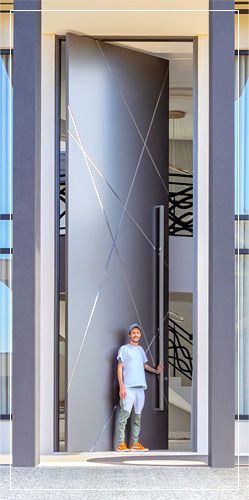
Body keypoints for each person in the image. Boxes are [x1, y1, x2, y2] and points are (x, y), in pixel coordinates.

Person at [116, 323, 163, 452]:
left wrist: (156, 371)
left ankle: (135, 444)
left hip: (140, 389)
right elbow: (119, 368)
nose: (136, 335)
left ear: (140, 335)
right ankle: (121, 444)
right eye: (133, 333)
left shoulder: (141, 350)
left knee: (137, 417)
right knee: (124, 416)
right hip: (128, 388)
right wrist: (121, 387)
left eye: (138, 333)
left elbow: (144, 366)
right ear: (129, 335)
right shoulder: (124, 349)